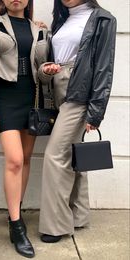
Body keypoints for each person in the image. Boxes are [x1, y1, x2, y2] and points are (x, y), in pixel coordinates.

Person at [0, 0, 60, 258]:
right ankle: (16, 225)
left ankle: (16, 212)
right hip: (5, 98)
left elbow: (42, 71)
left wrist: (48, 70)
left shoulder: (41, 30)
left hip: (32, 99)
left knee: (24, 161)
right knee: (13, 160)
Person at [38, 0, 117, 243]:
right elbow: (62, 54)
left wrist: (96, 111)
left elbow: (104, 66)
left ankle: (56, 226)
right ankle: (79, 216)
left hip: (79, 92)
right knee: (74, 155)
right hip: (58, 88)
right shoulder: (63, 18)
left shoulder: (103, 18)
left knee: (55, 155)